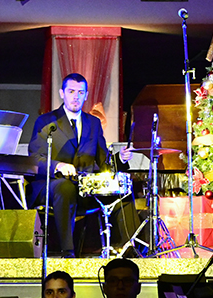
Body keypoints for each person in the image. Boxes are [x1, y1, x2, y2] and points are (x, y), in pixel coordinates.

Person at [28, 73, 134, 258]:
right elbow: (35, 158)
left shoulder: (93, 123)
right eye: (71, 91)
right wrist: (58, 165)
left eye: (80, 92)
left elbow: (104, 162)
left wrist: (121, 159)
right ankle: (68, 252)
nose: (75, 96)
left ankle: (131, 250)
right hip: (52, 185)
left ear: (86, 95)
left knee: (123, 189)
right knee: (65, 188)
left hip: (85, 186)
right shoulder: (46, 121)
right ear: (62, 93)